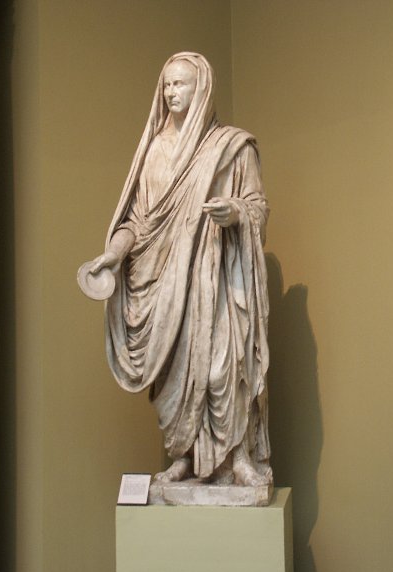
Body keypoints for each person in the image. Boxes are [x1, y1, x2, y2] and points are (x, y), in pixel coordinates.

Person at [89, 52, 272, 487]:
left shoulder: (232, 147)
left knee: (223, 367)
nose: (172, 92)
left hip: (217, 278)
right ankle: (184, 456)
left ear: (201, 88)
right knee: (176, 376)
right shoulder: (154, 150)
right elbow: (138, 222)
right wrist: (113, 254)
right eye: (167, 84)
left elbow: (258, 207)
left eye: (180, 84)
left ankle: (238, 458)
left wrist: (235, 212)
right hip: (164, 285)